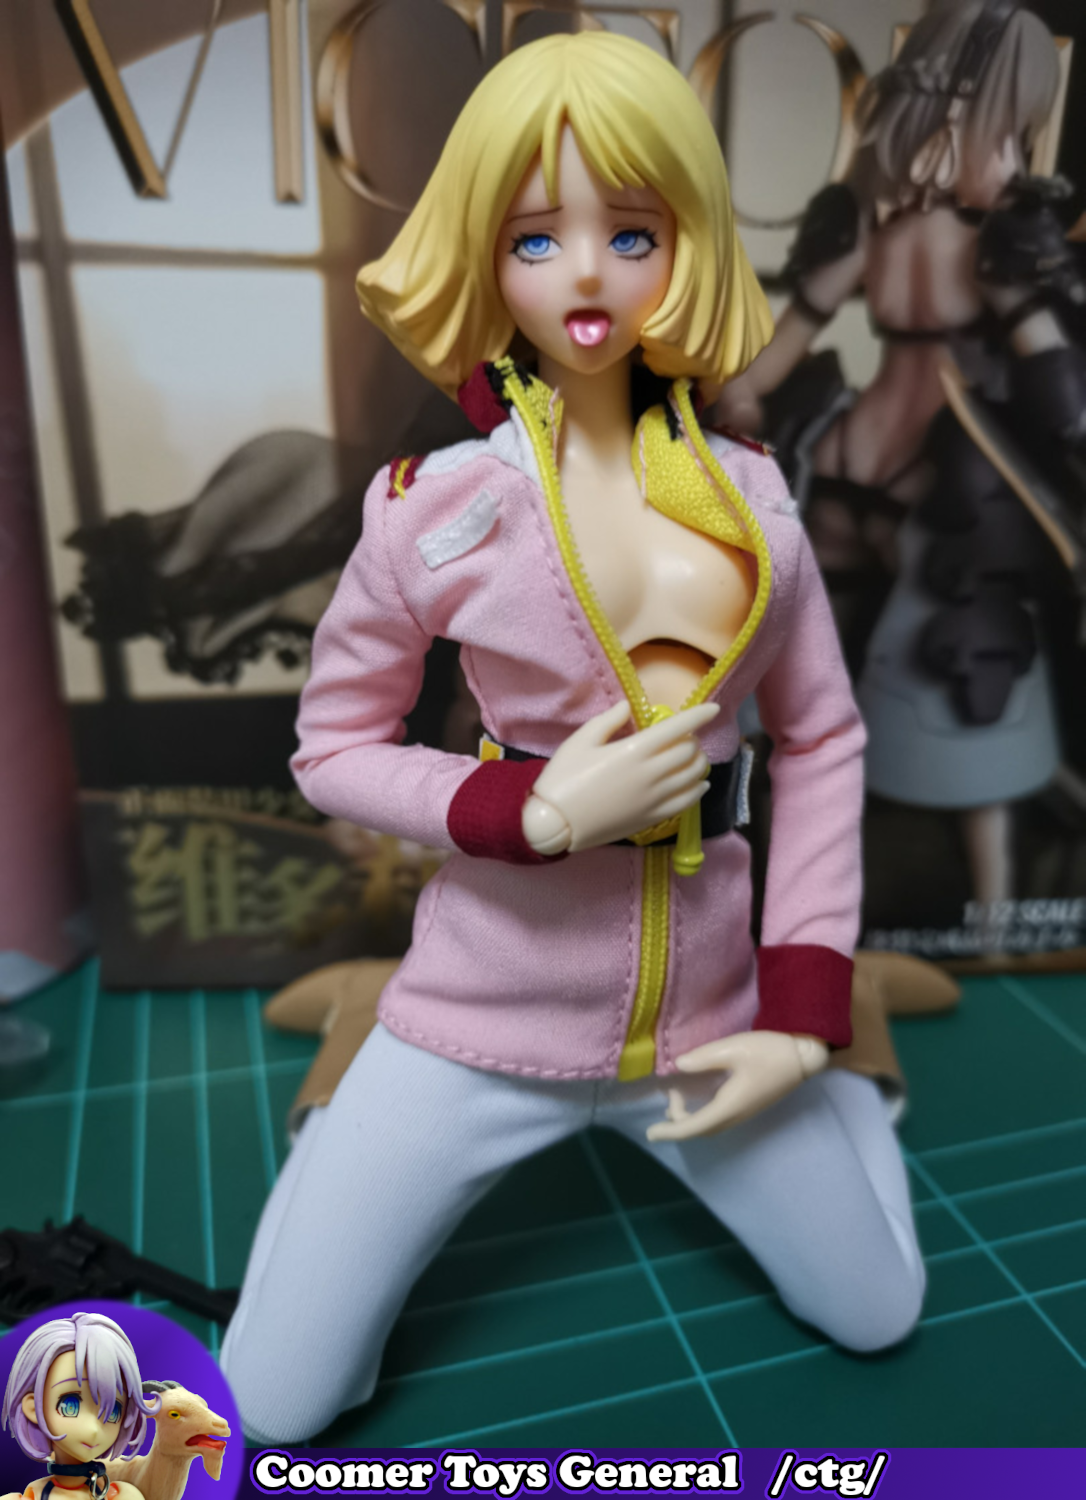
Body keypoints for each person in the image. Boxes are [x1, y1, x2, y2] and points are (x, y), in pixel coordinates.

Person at [220, 31, 926, 1441]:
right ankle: (344, 1109)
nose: (587, 276)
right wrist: (527, 811)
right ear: (484, 255)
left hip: (709, 1025)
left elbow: (821, 741)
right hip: (479, 1019)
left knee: (878, 1309)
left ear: (689, 244)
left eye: (632, 233)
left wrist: (802, 1014)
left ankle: (857, 1076)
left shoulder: (752, 499)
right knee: (277, 1403)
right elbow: (332, 747)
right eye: (536, 237)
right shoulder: (433, 510)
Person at [717, 0, 1085, 911]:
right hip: (923, 476)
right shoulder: (981, 240)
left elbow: (779, 354)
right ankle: (980, 909)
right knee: (942, 685)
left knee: (889, 677)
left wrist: (735, 403)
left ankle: (965, 904)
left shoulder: (890, 233)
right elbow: (1057, 391)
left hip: (864, 458)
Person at [1, 1313, 159, 1500]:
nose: (93, 1429)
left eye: (112, 1412)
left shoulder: (120, 1496)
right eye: (70, 1405)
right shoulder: (33, 1495)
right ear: (34, 1407)